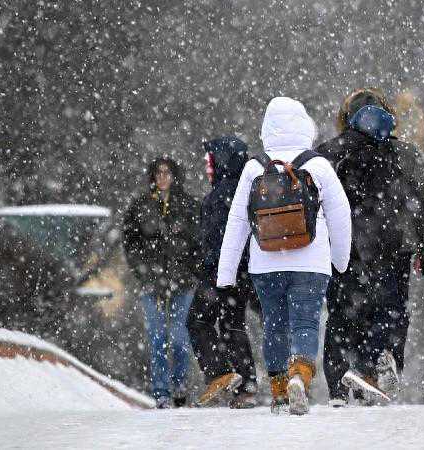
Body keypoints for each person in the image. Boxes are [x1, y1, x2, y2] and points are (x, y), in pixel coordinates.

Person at [217, 97, 351, 415]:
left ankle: (278, 389)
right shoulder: (317, 164)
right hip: (311, 260)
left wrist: (226, 271)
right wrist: (340, 259)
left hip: (265, 261)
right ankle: (299, 378)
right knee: (306, 323)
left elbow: (236, 220)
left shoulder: (254, 167)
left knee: (274, 326)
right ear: (304, 126)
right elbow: (340, 214)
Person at [317, 88, 424, 405]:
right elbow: (423, 201)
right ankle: (382, 359)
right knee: (391, 309)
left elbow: (313, 201)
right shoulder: (407, 154)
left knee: (343, 314)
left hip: (344, 248)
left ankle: (340, 384)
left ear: (346, 119)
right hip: (394, 245)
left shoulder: (329, 153)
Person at [122, 156, 201, 408]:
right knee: (157, 338)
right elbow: (130, 243)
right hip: (151, 282)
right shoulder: (140, 206)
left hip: (183, 281)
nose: (163, 177)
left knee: (179, 338)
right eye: (158, 173)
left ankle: (178, 384)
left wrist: (191, 270)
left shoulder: (188, 206)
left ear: (175, 175)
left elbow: (198, 243)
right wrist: (144, 271)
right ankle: (161, 392)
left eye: (167, 172)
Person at [187, 136, 260, 408]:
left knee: (197, 322)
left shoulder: (220, 196)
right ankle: (246, 386)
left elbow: (217, 240)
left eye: (211, 160)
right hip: (243, 272)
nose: (207, 166)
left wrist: (206, 267)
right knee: (233, 325)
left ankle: (219, 373)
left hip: (220, 272)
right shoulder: (246, 189)